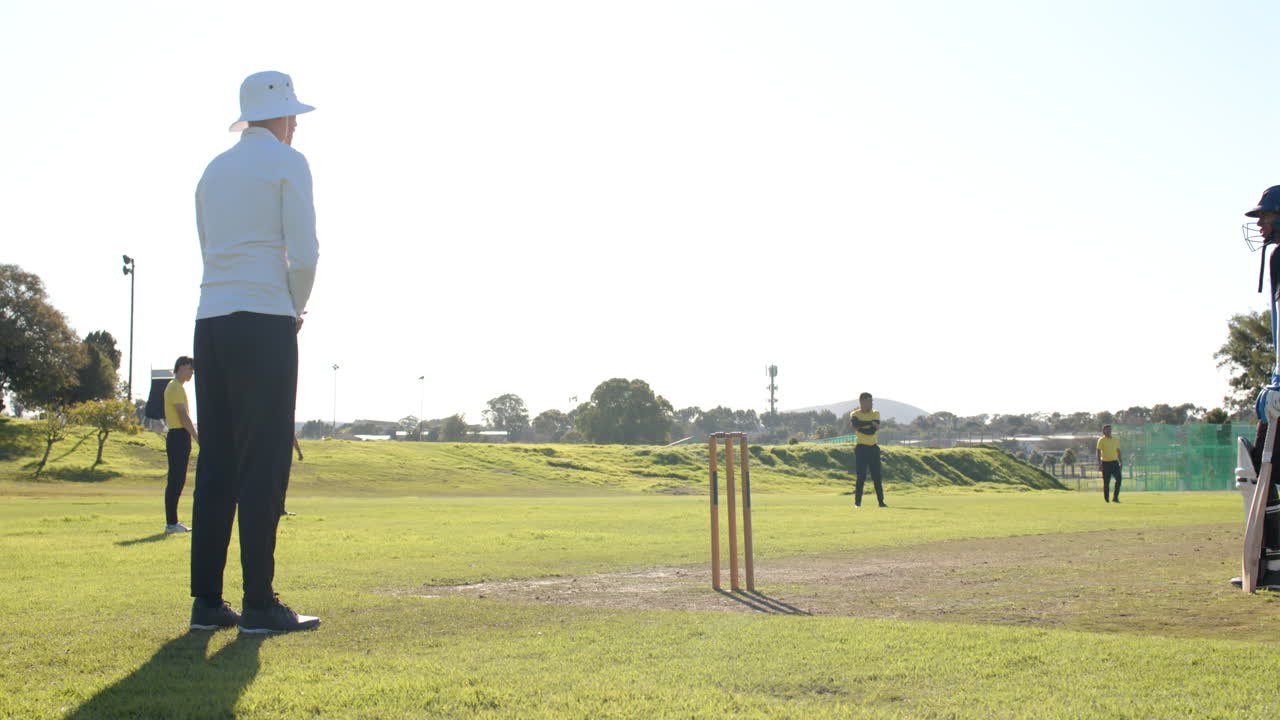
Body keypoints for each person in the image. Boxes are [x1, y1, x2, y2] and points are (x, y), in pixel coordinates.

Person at [188, 71, 320, 634]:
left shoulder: (213, 169)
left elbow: (207, 245)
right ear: (282, 116)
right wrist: (293, 310)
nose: (296, 125)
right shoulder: (289, 163)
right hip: (264, 317)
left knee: (216, 461)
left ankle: (207, 603)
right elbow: (306, 253)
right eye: (293, 115)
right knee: (265, 459)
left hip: (210, 319)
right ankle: (261, 603)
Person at [163, 356, 197, 533]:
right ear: (182, 367)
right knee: (176, 479)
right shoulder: (175, 387)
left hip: (180, 436)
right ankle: (171, 523)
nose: (192, 372)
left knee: (178, 479)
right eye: (190, 368)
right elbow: (183, 416)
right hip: (178, 435)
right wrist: (197, 436)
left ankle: (172, 522)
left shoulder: (177, 387)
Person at [849, 392, 886, 507]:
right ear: (862, 401)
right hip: (861, 448)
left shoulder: (876, 413)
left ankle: (881, 502)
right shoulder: (854, 413)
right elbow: (855, 425)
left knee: (877, 476)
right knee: (861, 476)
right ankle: (857, 503)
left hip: (873, 448)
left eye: (872, 401)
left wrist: (861, 427)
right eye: (869, 401)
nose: (871, 403)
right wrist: (870, 423)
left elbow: (872, 431)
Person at [1096, 424, 1122, 503]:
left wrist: (1121, 461)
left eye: (1110, 429)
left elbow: (1118, 451)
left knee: (1119, 479)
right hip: (1105, 463)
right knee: (1106, 482)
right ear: (1103, 431)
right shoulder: (1101, 440)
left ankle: (1115, 497)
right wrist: (1099, 464)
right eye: (1107, 430)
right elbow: (1098, 452)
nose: (1109, 431)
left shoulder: (1116, 440)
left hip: (1114, 463)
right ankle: (1106, 499)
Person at [281, 434, 302, 517]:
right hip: (281, 459)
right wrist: (299, 452)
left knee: (281, 485)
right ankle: (279, 509)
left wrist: (299, 452)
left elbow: (292, 437)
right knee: (281, 485)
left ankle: (280, 509)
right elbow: (292, 436)